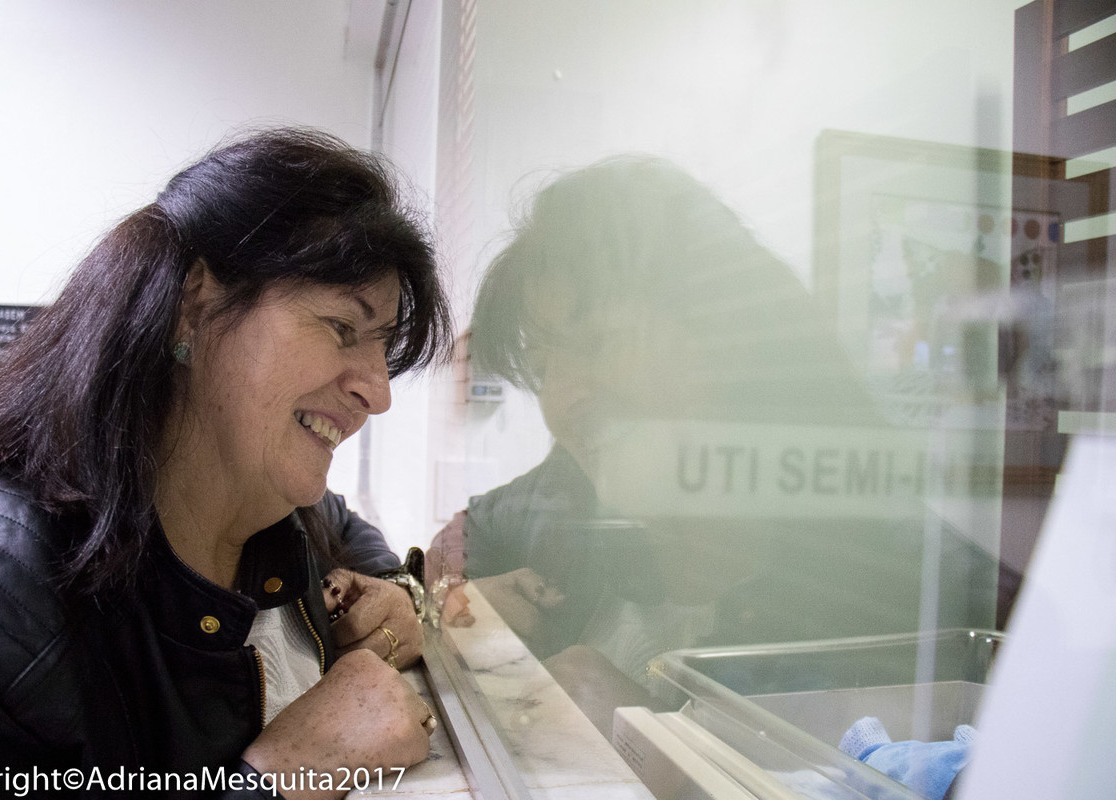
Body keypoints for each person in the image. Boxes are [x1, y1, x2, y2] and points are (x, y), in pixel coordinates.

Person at [0, 128, 452, 798]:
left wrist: (401, 602)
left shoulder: (286, 513)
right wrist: (282, 776)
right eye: (342, 328)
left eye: (381, 348)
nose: (378, 392)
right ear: (192, 308)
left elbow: (362, 549)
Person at [426, 156, 1000, 737]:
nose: (564, 397)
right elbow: (475, 533)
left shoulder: (921, 590)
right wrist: (446, 596)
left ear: (725, 337)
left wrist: (659, 742)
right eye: (545, 365)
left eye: (597, 341)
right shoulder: (560, 508)